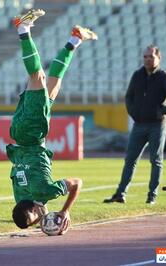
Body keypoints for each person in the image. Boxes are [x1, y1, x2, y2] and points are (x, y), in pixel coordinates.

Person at [7, 9, 97, 229]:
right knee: (54, 85)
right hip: (22, 136)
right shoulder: (21, 198)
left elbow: (77, 183)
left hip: (31, 133)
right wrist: (43, 215)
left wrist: (64, 212)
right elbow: (34, 201)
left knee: (38, 77)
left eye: (34, 218)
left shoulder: (44, 192)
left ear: (32, 210)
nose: (38, 218)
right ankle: (75, 38)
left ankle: (23, 28)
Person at [104, 45, 166, 205]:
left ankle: (152, 195)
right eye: (145, 57)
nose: (147, 59)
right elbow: (129, 97)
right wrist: (133, 112)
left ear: (159, 58)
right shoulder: (137, 75)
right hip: (139, 124)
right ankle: (120, 194)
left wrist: (162, 111)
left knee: (156, 160)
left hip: (157, 125)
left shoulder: (165, 77)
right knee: (130, 160)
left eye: (151, 57)